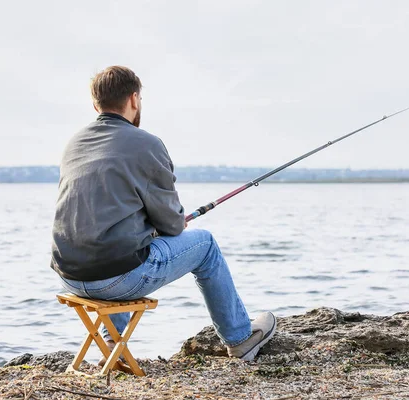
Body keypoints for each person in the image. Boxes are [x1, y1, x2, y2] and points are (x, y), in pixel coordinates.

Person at [50, 66, 276, 363]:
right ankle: (239, 338)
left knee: (116, 249)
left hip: (68, 275)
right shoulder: (146, 144)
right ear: (133, 99)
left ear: (96, 104)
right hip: (113, 280)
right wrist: (170, 222)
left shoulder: (74, 144)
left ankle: (112, 346)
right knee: (205, 244)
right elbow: (171, 223)